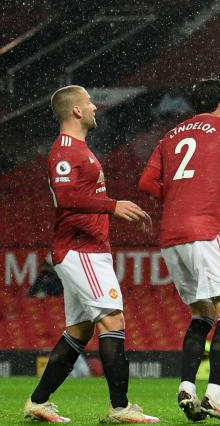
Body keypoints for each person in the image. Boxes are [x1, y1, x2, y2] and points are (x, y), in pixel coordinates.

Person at [24, 85, 158, 423]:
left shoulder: (82, 149)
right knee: (113, 320)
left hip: (91, 249)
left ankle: (37, 402)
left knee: (81, 330)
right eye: (89, 102)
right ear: (77, 111)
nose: (95, 106)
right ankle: (120, 408)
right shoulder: (65, 150)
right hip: (79, 248)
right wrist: (114, 206)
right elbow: (67, 196)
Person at [138, 78, 220, 424]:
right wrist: (219, 195)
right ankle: (216, 394)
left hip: (172, 236)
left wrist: (178, 198)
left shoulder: (170, 136)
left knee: (202, 314)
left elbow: (145, 183)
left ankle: (187, 386)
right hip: (208, 228)